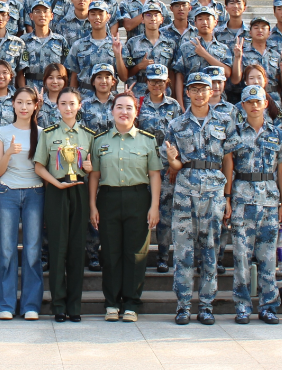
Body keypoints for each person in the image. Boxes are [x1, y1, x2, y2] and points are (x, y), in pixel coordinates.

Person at [163, 72, 236, 325]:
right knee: (183, 250)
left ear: (211, 91)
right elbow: (175, 165)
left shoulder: (224, 121)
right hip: (185, 191)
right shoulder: (176, 124)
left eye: (203, 89)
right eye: (194, 89)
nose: (199, 93)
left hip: (214, 192)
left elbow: (228, 160)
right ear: (187, 93)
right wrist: (172, 159)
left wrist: (228, 196)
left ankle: (206, 305)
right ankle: (183, 305)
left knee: (210, 249)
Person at [88, 92, 161, 322]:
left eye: (129, 107)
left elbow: (154, 175)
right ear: (112, 111)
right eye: (119, 107)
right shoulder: (100, 141)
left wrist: (154, 206)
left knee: (136, 254)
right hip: (108, 198)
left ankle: (131, 304)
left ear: (136, 112)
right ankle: (111, 303)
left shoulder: (147, 140)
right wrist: (92, 205)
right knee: (110, 253)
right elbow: (94, 176)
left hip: (137, 198)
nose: (124, 112)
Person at [33, 88, 95, 322]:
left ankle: (74, 306)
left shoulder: (89, 135)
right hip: (56, 190)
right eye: (63, 104)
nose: (68, 108)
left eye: (72, 103)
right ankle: (58, 305)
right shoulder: (48, 134)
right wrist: (55, 183)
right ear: (57, 106)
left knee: (77, 249)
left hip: (79, 189)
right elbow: (39, 166)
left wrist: (89, 170)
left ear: (80, 106)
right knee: (57, 249)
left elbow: (94, 170)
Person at [228, 86, 282, 324]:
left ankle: (268, 305)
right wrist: (227, 198)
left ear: (265, 104)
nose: (254, 106)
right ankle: (242, 306)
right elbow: (229, 166)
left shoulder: (278, 134)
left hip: (269, 201)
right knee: (241, 257)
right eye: (249, 102)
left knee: (268, 257)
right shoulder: (235, 133)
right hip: (242, 199)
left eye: (258, 101)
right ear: (242, 105)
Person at [0, 88, 45, 320]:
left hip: (35, 193)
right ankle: (6, 304)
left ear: (35, 106)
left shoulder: (42, 133)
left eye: (29, 103)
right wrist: (9, 153)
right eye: (20, 102)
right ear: (13, 104)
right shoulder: (2, 132)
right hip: (8, 193)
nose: (24, 107)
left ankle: (30, 305)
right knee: (7, 249)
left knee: (32, 250)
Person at [135, 64, 182, 274]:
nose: (156, 85)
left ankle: (163, 257)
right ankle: (139, 257)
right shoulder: (138, 104)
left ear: (167, 83)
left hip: (165, 168)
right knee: (141, 214)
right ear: (147, 82)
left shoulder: (174, 106)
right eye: (153, 81)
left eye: (160, 81)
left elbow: (180, 136)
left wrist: (174, 164)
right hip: (142, 167)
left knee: (165, 215)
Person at [117, 0, 173, 97]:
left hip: (163, 92)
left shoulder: (170, 43)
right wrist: (139, 66)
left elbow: (173, 72)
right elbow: (126, 74)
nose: (153, 18)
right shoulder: (132, 43)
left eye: (156, 15)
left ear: (162, 19)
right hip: (139, 92)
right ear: (142, 19)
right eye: (148, 15)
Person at [64, 0, 116, 92]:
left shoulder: (116, 45)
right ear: (88, 17)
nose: (97, 17)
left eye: (101, 14)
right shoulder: (78, 45)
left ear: (108, 17)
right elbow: (74, 75)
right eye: (93, 14)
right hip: (84, 94)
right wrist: (73, 95)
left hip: (109, 95)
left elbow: (124, 76)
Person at [20, 0, 68, 91]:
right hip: (31, 89)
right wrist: (24, 91)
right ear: (31, 16)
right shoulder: (23, 41)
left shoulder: (60, 41)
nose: (42, 15)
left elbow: (66, 69)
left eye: (45, 11)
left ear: (51, 16)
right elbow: (20, 71)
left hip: (54, 89)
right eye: (37, 11)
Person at [35, 63, 69, 130]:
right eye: (50, 78)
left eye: (59, 78)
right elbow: (29, 125)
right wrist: (37, 108)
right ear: (45, 80)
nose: (55, 82)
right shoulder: (37, 101)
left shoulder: (70, 103)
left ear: (65, 80)